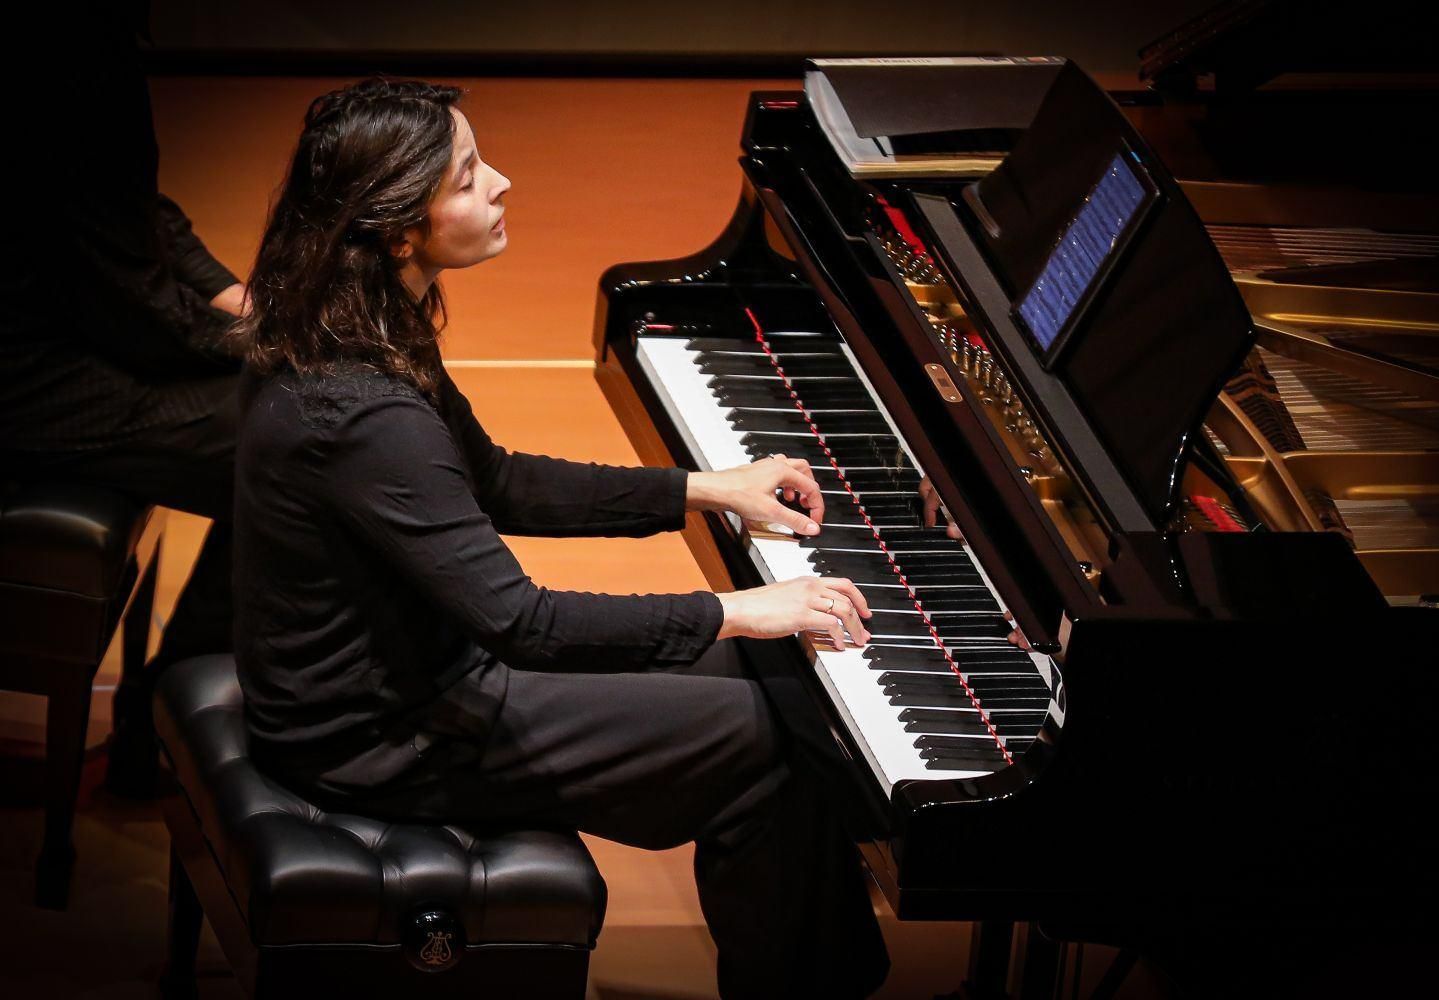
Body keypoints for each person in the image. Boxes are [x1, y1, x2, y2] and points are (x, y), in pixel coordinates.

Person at [229, 78, 890, 997]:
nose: (500, 182)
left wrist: (702, 489)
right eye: (467, 176)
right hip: (377, 733)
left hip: (416, 673)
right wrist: (736, 608)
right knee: (757, 739)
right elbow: (522, 623)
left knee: (778, 676)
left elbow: (496, 479)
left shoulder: (356, 324)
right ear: (399, 230)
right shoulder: (365, 412)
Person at [1, 8, 244, 793]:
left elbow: (140, 211)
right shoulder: (56, 48)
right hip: (34, 382)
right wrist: (271, 341)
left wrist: (235, 298)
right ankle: (169, 731)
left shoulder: (83, 40)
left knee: (304, 409)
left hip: (70, 335)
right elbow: (131, 306)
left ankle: (169, 720)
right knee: (297, 438)